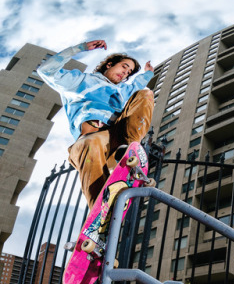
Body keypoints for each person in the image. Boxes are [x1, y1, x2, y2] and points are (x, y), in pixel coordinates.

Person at [38, 39, 154, 209]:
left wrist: (148, 74)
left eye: (129, 72)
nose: (125, 73)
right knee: (90, 143)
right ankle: (101, 212)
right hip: (91, 140)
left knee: (145, 94)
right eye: (123, 67)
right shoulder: (80, 81)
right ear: (109, 64)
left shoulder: (124, 91)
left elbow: (138, 84)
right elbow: (46, 70)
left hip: (118, 137)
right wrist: (80, 47)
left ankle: (128, 149)